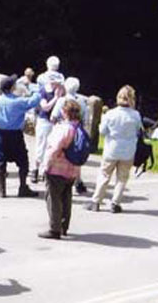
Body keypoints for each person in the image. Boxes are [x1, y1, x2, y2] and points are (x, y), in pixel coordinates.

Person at [87, 85, 142, 214]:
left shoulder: (110, 114)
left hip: (112, 148)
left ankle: (96, 201)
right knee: (122, 178)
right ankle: (115, 203)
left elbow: (102, 131)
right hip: (128, 150)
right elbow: (138, 130)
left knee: (104, 175)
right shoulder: (136, 115)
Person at [0, 74, 41, 198]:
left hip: (1, 134)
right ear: (12, 88)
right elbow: (35, 100)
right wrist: (32, 88)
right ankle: (23, 187)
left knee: (1, 161)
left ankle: (2, 189)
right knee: (23, 161)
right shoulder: (18, 102)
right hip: (15, 135)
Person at [39, 100, 83, 239]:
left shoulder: (64, 129)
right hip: (72, 169)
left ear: (65, 112)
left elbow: (54, 149)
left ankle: (54, 228)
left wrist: (45, 166)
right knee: (66, 197)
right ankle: (64, 226)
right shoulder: (79, 129)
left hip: (57, 168)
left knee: (53, 198)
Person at [52, 77, 89, 194]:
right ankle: (77, 181)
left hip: (63, 129)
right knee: (75, 154)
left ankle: (59, 177)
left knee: (60, 154)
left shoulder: (62, 101)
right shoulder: (82, 101)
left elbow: (53, 117)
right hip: (77, 130)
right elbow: (86, 119)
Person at [33, 75, 65, 184]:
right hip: (44, 121)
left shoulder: (61, 91)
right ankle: (35, 169)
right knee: (40, 145)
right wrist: (56, 98)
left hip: (55, 123)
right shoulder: (43, 91)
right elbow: (45, 107)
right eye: (55, 83)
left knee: (50, 147)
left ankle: (44, 171)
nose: (57, 85)